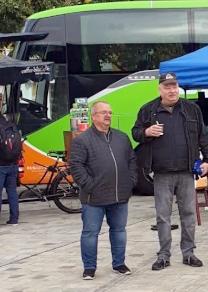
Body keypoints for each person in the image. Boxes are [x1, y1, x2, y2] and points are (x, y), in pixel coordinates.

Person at [131, 72, 208, 271]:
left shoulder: (191, 109)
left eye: (174, 86)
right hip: (161, 173)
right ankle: (164, 255)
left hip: (186, 172)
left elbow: (204, 135)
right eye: (167, 87)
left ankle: (189, 253)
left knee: (188, 214)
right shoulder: (148, 110)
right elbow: (135, 133)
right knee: (163, 216)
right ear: (160, 90)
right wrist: (146, 132)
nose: (172, 90)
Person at [69, 101, 138, 280]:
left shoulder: (122, 138)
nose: (108, 115)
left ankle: (119, 264)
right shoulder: (82, 141)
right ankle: (89, 268)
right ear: (93, 116)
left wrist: (130, 182)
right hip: (94, 197)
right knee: (90, 233)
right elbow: (76, 166)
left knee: (119, 231)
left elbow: (132, 161)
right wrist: (90, 185)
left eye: (110, 112)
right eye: (103, 112)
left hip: (120, 195)